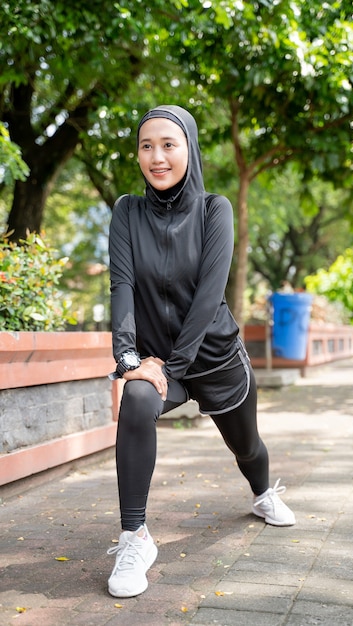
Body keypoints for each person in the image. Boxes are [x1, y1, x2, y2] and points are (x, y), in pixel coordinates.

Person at [106, 104, 295, 598]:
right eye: (147, 145)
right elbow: (121, 287)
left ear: (189, 148)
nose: (157, 156)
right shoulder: (127, 211)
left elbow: (211, 296)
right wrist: (129, 362)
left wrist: (171, 365)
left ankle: (261, 494)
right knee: (137, 399)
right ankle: (135, 538)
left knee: (247, 448)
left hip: (214, 358)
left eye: (169, 144)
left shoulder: (216, 210)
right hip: (157, 362)